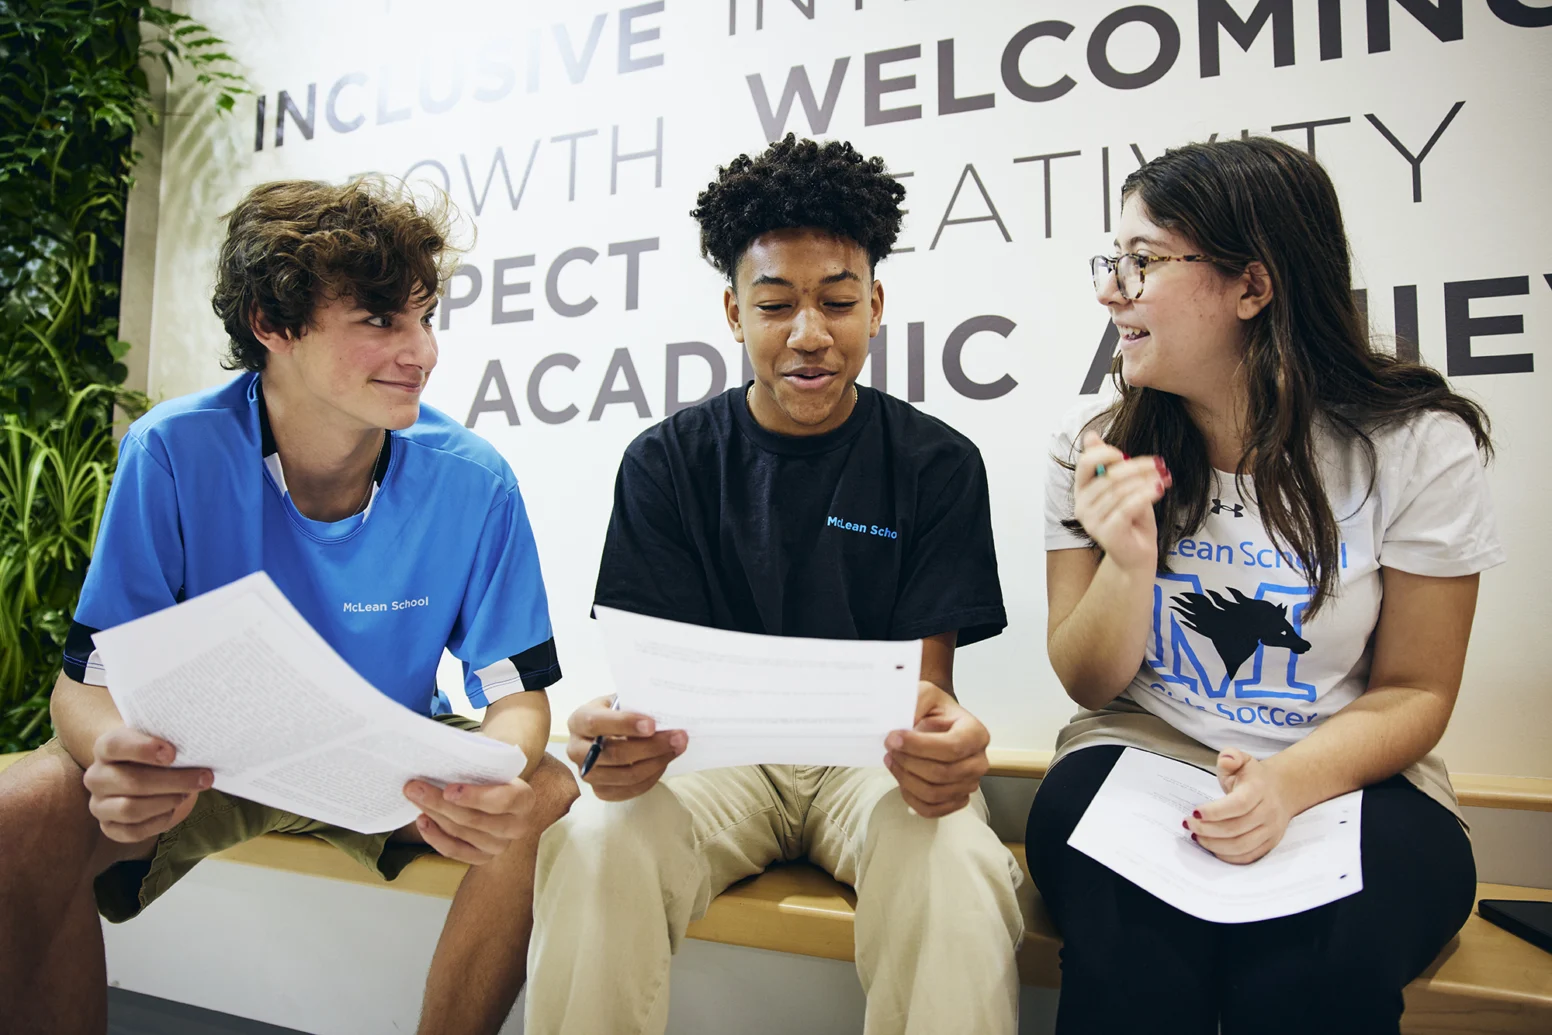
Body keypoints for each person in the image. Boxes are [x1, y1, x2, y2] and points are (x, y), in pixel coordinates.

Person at [0, 178, 578, 1035]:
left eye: (423, 317)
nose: (419, 349)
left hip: (387, 770)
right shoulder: (171, 450)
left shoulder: (473, 477)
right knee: (22, 812)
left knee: (543, 792)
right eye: (381, 320)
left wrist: (495, 773)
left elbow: (518, 697)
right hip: (207, 765)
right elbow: (83, 683)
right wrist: (112, 751)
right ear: (273, 325)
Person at [524, 135, 1028, 1035]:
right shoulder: (667, 462)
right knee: (597, 840)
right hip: (709, 765)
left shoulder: (937, 464)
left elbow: (928, 690)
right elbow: (651, 686)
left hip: (872, 764)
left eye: (838, 301)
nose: (809, 334)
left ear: (875, 305)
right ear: (733, 311)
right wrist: (618, 738)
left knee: (956, 860)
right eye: (776, 304)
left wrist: (943, 738)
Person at [1028, 137, 1501, 1034]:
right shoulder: (1093, 438)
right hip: (1146, 751)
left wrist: (1286, 786)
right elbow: (1088, 683)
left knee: (1311, 978)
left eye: (1143, 262)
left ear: (1254, 286)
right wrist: (1129, 561)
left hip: (1347, 775)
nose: (1109, 290)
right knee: (1134, 967)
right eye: (1112, 259)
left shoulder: (1415, 443)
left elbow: (1417, 687)